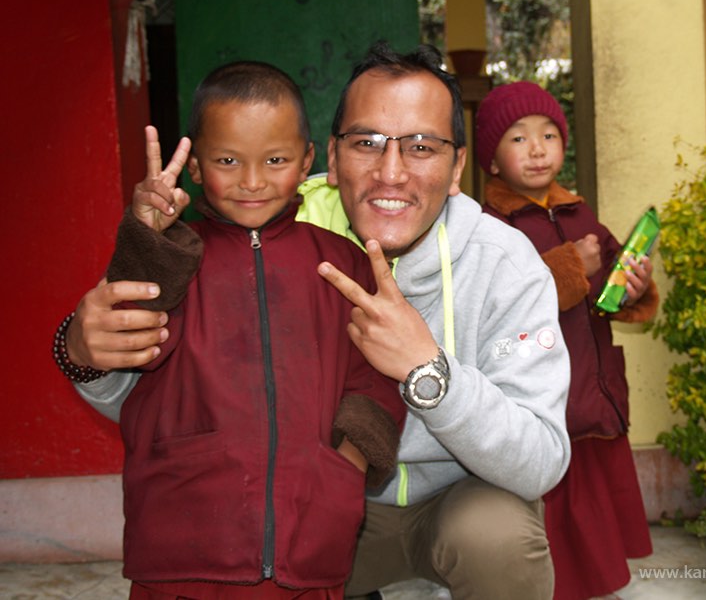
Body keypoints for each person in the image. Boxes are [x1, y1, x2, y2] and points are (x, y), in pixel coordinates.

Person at [55, 43, 572, 599]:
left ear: (457, 166)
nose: (391, 171)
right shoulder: (265, 229)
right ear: (328, 157)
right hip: (310, 514)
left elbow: (540, 461)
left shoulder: (505, 263)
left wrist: (428, 372)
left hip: (442, 501)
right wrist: (81, 352)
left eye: (421, 146)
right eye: (367, 143)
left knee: (499, 540)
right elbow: (148, 384)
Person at [52, 61, 407, 599]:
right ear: (194, 164)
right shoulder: (172, 254)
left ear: (308, 160)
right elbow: (129, 338)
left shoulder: (341, 263)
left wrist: (342, 471)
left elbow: (375, 382)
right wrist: (147, 238)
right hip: (182, 544)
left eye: (276, 160)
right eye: (226, 160)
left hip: (309, 545)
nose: (252, 181)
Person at [474, 81, 658, 599]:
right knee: (549, 523)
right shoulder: (490, 225)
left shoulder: (580, 213)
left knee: (595, 516)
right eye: (518, 138)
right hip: (538, 399)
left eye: (549, 134)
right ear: (491, 159)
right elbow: (502, 306)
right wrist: (573, 264)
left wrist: (632, 287)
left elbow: (611, 293)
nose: (537, 149)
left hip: (590, 390)